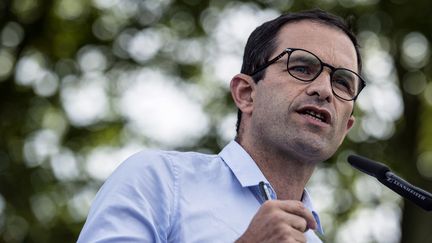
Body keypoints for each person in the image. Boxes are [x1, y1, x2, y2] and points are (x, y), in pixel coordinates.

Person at [78, 9, 365, 243]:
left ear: (346, 127)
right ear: (246, 94)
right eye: (302, 68)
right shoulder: (159, 180)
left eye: (342, 82)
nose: (324, 90)